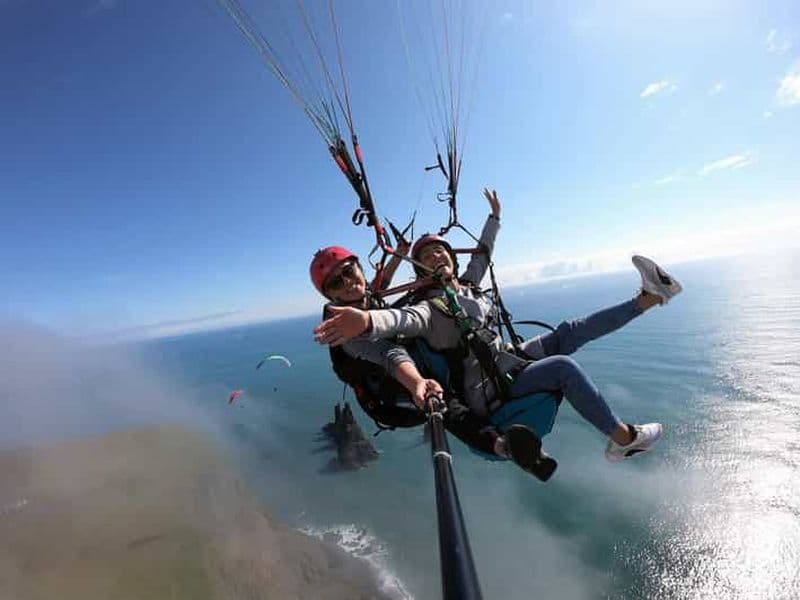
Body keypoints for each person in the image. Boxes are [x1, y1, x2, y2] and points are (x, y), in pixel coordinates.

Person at [314, 188, 683, 463]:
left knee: (568, 332)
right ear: (421, 272)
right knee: (564, 368)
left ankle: (650, 297)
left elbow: (484, 254)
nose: (437, 257)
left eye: (441, 251)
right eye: (426, 257)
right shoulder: (428, 307)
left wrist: (495, 217)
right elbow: (402, 321)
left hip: (505, 362)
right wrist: (366, 319)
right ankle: (624, 438)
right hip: (487, 392)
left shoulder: (468, 285)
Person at [309, 241, 543, 471]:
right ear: (330, 296)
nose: (348, 282)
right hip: (387, 393)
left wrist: (399, 254)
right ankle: (499, 445)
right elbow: (389, 353)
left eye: (349, 271)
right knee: (442, 399)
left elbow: (379, 286)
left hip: (403, 365)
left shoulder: (361, 295)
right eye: (337, 283)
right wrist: (418, 383)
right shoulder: (341, 330)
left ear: (359, 268)